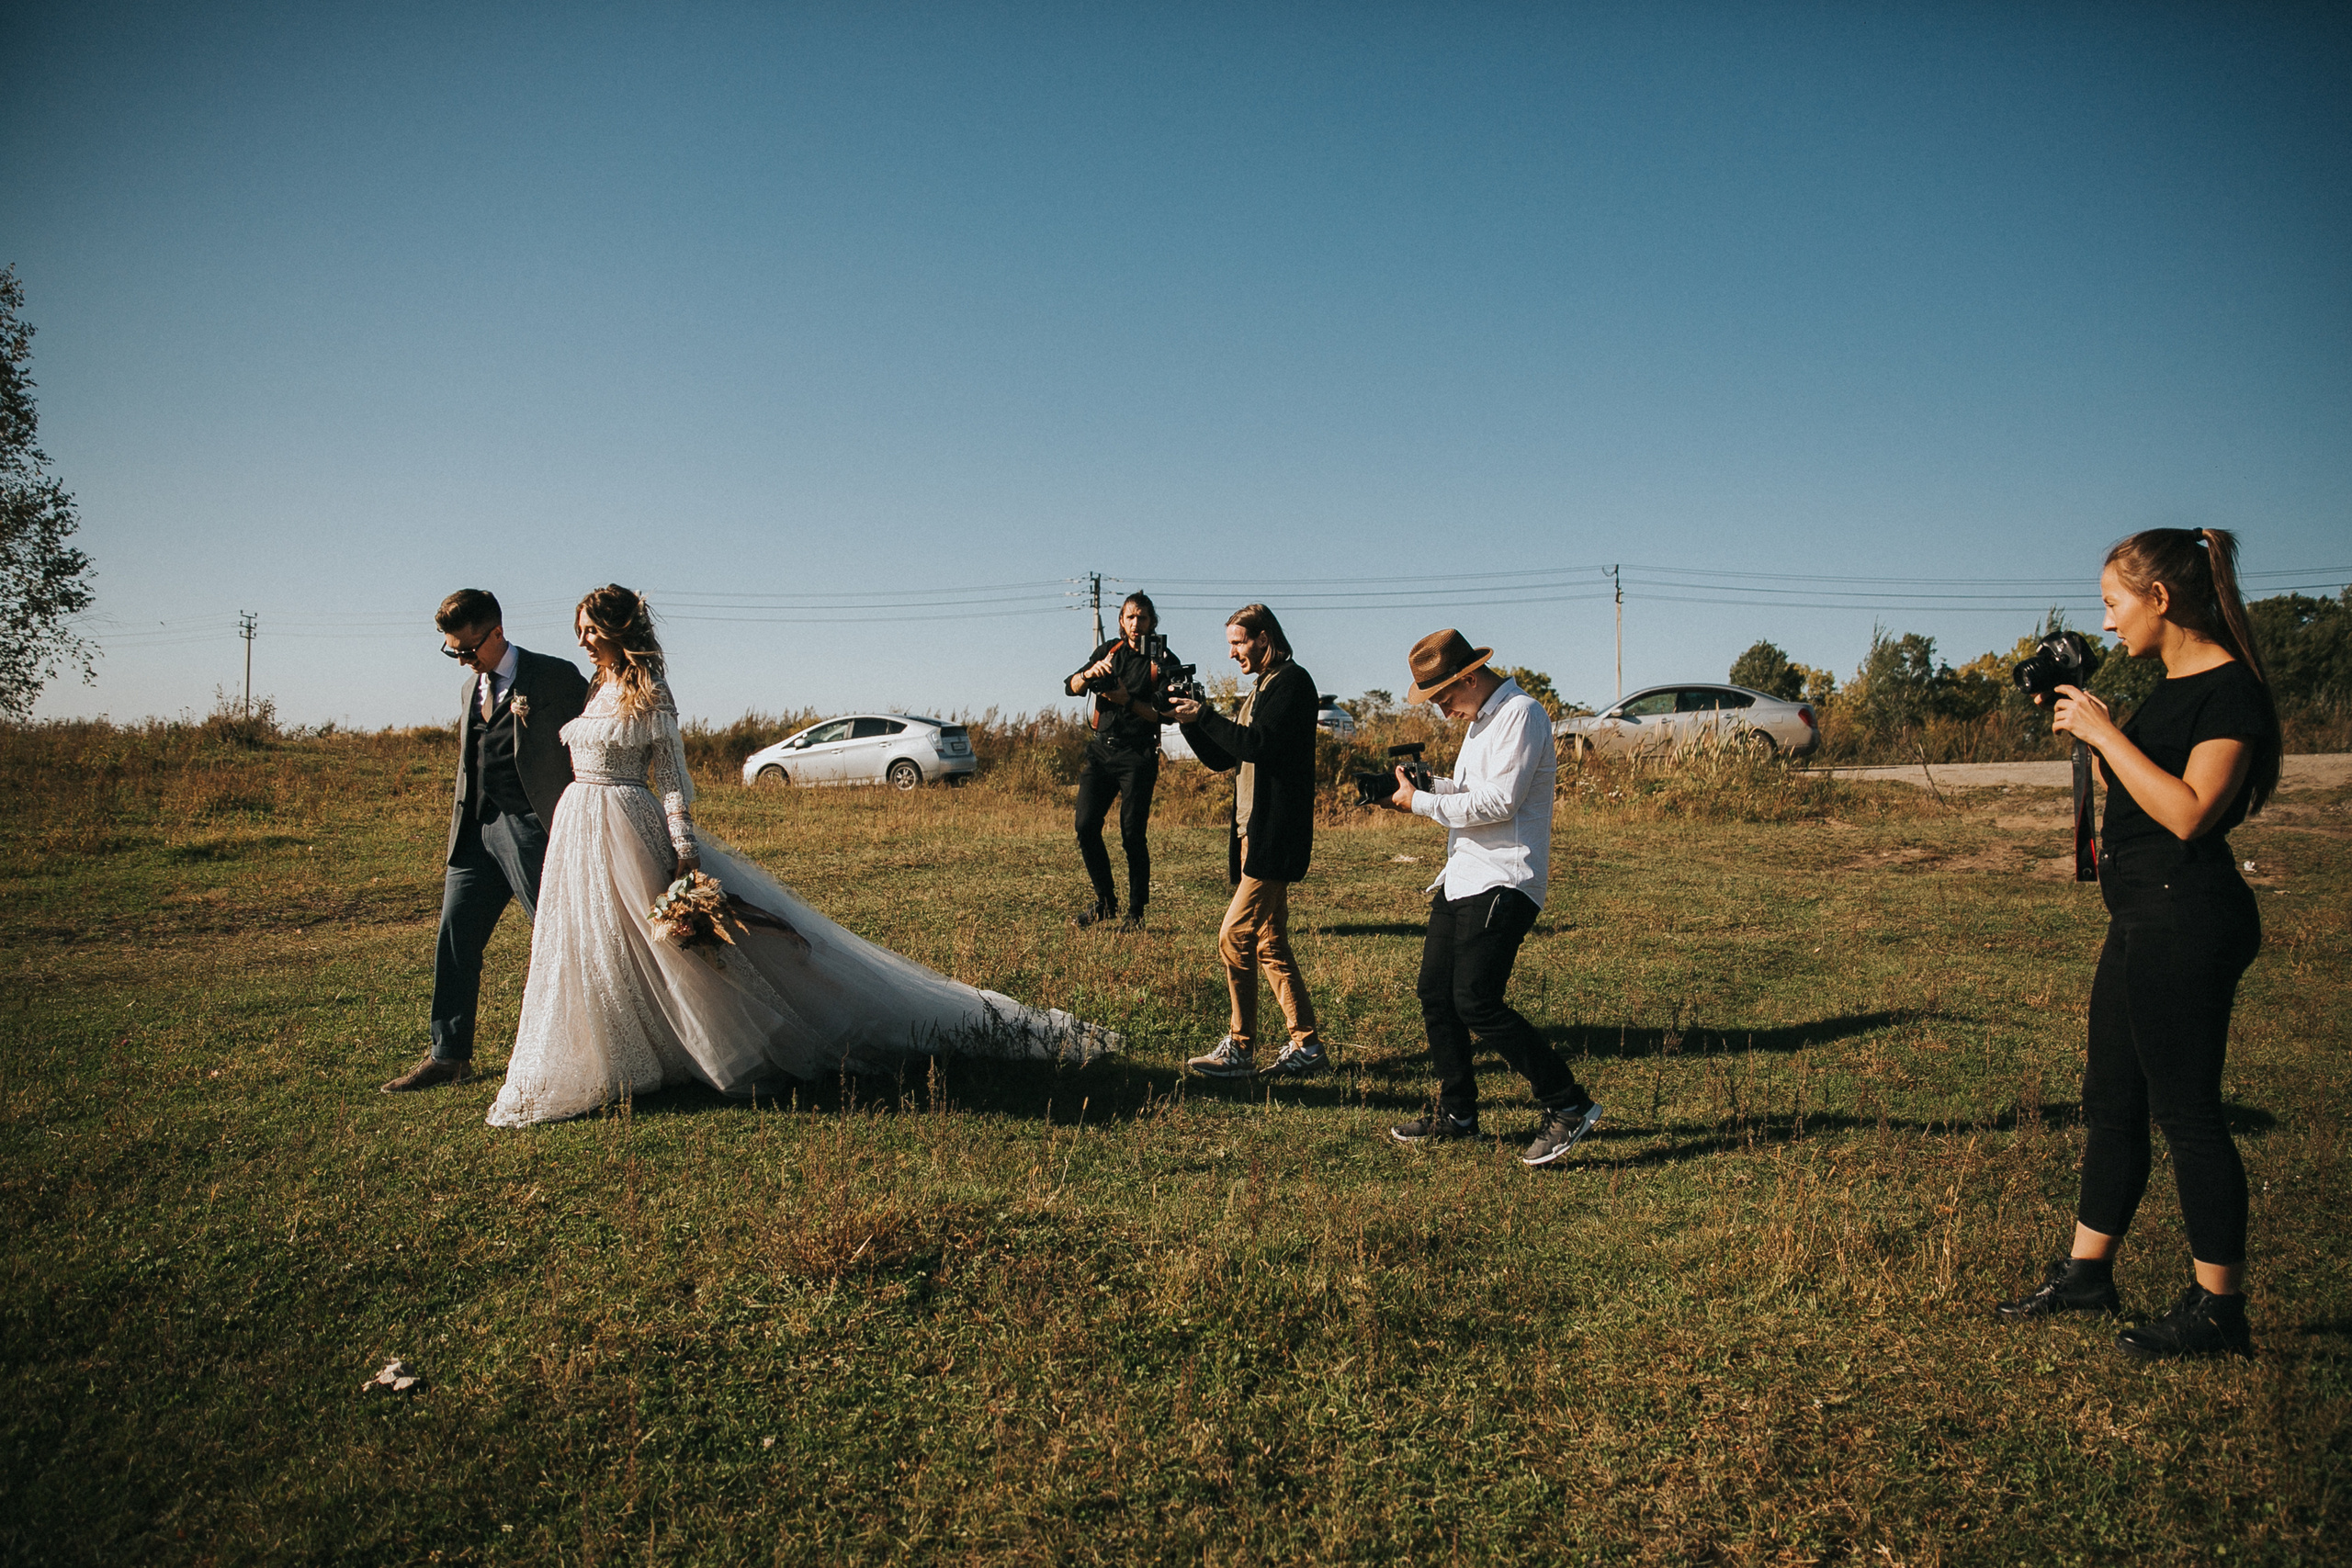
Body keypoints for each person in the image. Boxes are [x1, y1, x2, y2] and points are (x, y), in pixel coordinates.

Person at [486, 586, 1118, 1127]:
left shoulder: (649, 689)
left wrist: (683, 851)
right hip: (578, 828)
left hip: (629, 823)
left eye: (590, 629)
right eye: (578, 630)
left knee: (671, 946)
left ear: (619, 629)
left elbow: (672, 777)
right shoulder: (597, 687)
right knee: (596, 941)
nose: (582, 640)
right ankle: (617, 1053)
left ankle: (713, 1042)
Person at [1996, 529, 2280, 1359]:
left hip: (2187, 916)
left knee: (2186, 1110)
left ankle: (2219, 1309)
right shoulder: (2168, 689)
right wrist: (2092, 730)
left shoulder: (2229, 692)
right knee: (2111, 1100)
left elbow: (2191, 811)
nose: (2107, 622)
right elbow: (2135, 792)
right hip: (2140, 916)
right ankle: (2088, 1273)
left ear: (2160, 597)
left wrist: (2109, 734)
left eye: (2114, 603)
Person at [1374, 630, 1603, 1166]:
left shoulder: (1522, 714)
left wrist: (1419, 804)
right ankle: (1458, 1114)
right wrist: (1424, 788)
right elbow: (1473, 792)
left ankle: (1567, 1103)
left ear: (1471, 678)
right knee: (1436, 993)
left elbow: (1501, 802)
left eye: (1444, 698)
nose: (1443, 711)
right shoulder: (1482, 721)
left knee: (1476, 1000)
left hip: (1505, 877)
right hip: (1463, 875)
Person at [383, 589, 592, 1093]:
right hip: (474, 833)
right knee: (455, 938)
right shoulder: (469, 688)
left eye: (468, 649)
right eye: (452, 651)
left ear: (497, 632)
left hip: (531, 829)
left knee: (558, 939)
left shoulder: (554, 676)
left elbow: (588, 742)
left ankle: (587, 1046)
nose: (462, 660)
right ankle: (449, 1056)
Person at [1164, 604, 1329, 1079]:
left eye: (1238, 643)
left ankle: (1240, 1048)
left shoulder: (1292, 684)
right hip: (1251, 832)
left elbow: (1258, 744)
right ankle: (1308, 1047)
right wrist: (1190, 721)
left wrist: (1206, 713)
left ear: (1264, 639)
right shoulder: (1261, 688)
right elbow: (1224, 756)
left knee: (1235, 936)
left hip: (1275, 834)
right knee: (1269, 942)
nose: (1232, 653)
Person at [1064, 592, 1179, 928]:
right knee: (1085, 826)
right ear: (1121, 621)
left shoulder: (1163, 660)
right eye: (1130, 617)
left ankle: (1136, 912)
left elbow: (1166, 717)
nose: (1135, 624)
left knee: (1132, 835)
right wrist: (1089, 674)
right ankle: (1105, 902)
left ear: (1152, 622)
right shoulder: (1109, 651)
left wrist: (1127, 700)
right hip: (1102, 751)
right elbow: (1070, 687)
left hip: (1138, 754)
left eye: (1142, 618)